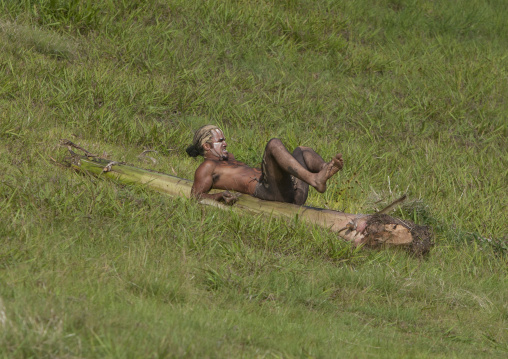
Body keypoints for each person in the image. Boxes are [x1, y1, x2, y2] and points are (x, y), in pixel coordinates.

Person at [186, 125, 344, 206]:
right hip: (269, 194)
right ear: (207, 147)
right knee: (273, 144)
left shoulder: (228, 158)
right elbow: (196, 195)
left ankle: (325, 169)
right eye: (220, 141)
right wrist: (219, 196)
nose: (225, 143)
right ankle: (314, 179)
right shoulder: (206, 167)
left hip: (290, 192)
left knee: (302, 151)